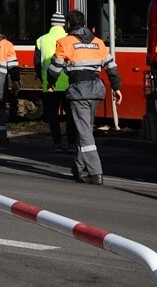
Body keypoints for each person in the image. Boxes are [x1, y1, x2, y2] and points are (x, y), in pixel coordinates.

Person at [47, 10, 123, 185]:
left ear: (69, 25)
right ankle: (79, 168)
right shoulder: (98, 42)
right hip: (97, 91)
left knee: (85, 133)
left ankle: (96, 172)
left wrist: (51, 84)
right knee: (85, 130)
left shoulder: (64, 43)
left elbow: (55, 69)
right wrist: (117, 88)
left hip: (79, 92)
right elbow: (111, 67)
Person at [36, 11, 75, 152]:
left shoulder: (41, 40)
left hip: (49, 85)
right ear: (63, 24)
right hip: (69, 84)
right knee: (71, 115)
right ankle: (72, 144)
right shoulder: (70, 39)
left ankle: (57, 143)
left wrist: (43, 79)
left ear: (51, 24)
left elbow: (37, 64)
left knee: (52, 116)